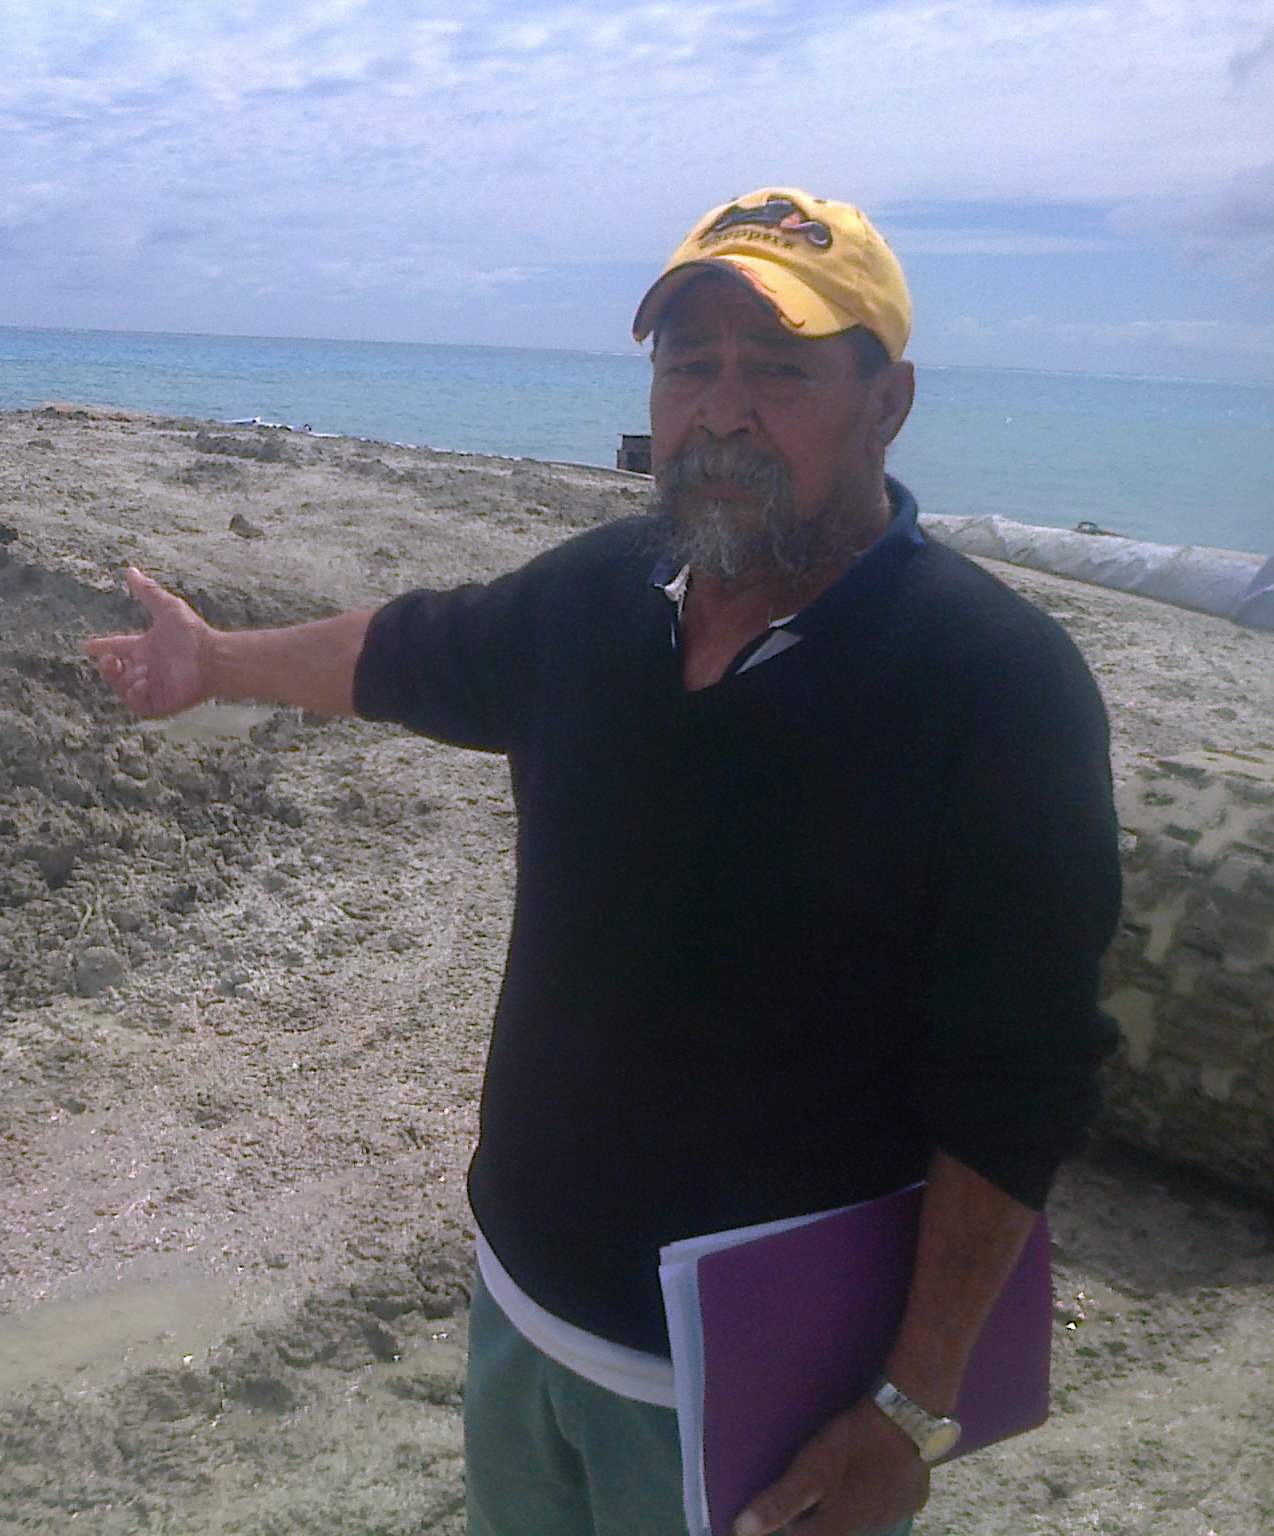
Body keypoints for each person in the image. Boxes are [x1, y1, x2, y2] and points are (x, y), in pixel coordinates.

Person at [85, 187, 1121, 1536]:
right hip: (518, 1313)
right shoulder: (601, 593)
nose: (723, 410)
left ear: (889, 403)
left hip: (755, 1399)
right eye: (691, 366)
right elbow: (412, 652)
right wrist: (215, 661)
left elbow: (1020, 1084)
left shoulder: (995, 685)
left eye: (781, 373)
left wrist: (915, 1409)